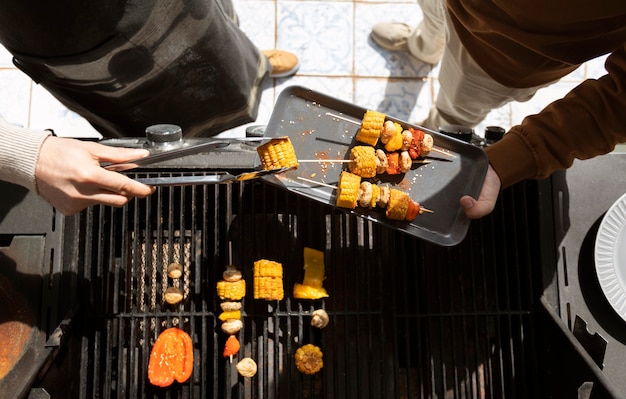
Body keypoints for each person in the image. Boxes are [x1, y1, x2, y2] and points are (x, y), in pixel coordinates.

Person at [0, 0, 299, 216]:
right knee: (139, 108)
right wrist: (29, 156)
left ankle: (251, 67)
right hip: (67, 27)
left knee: (218, 47)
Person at [371, 0, 626, 219]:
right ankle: (422, 46)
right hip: (457, 6)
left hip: (500, 51)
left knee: (451, 115)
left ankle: (422, 143)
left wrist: (521, 153)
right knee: (433, 17)